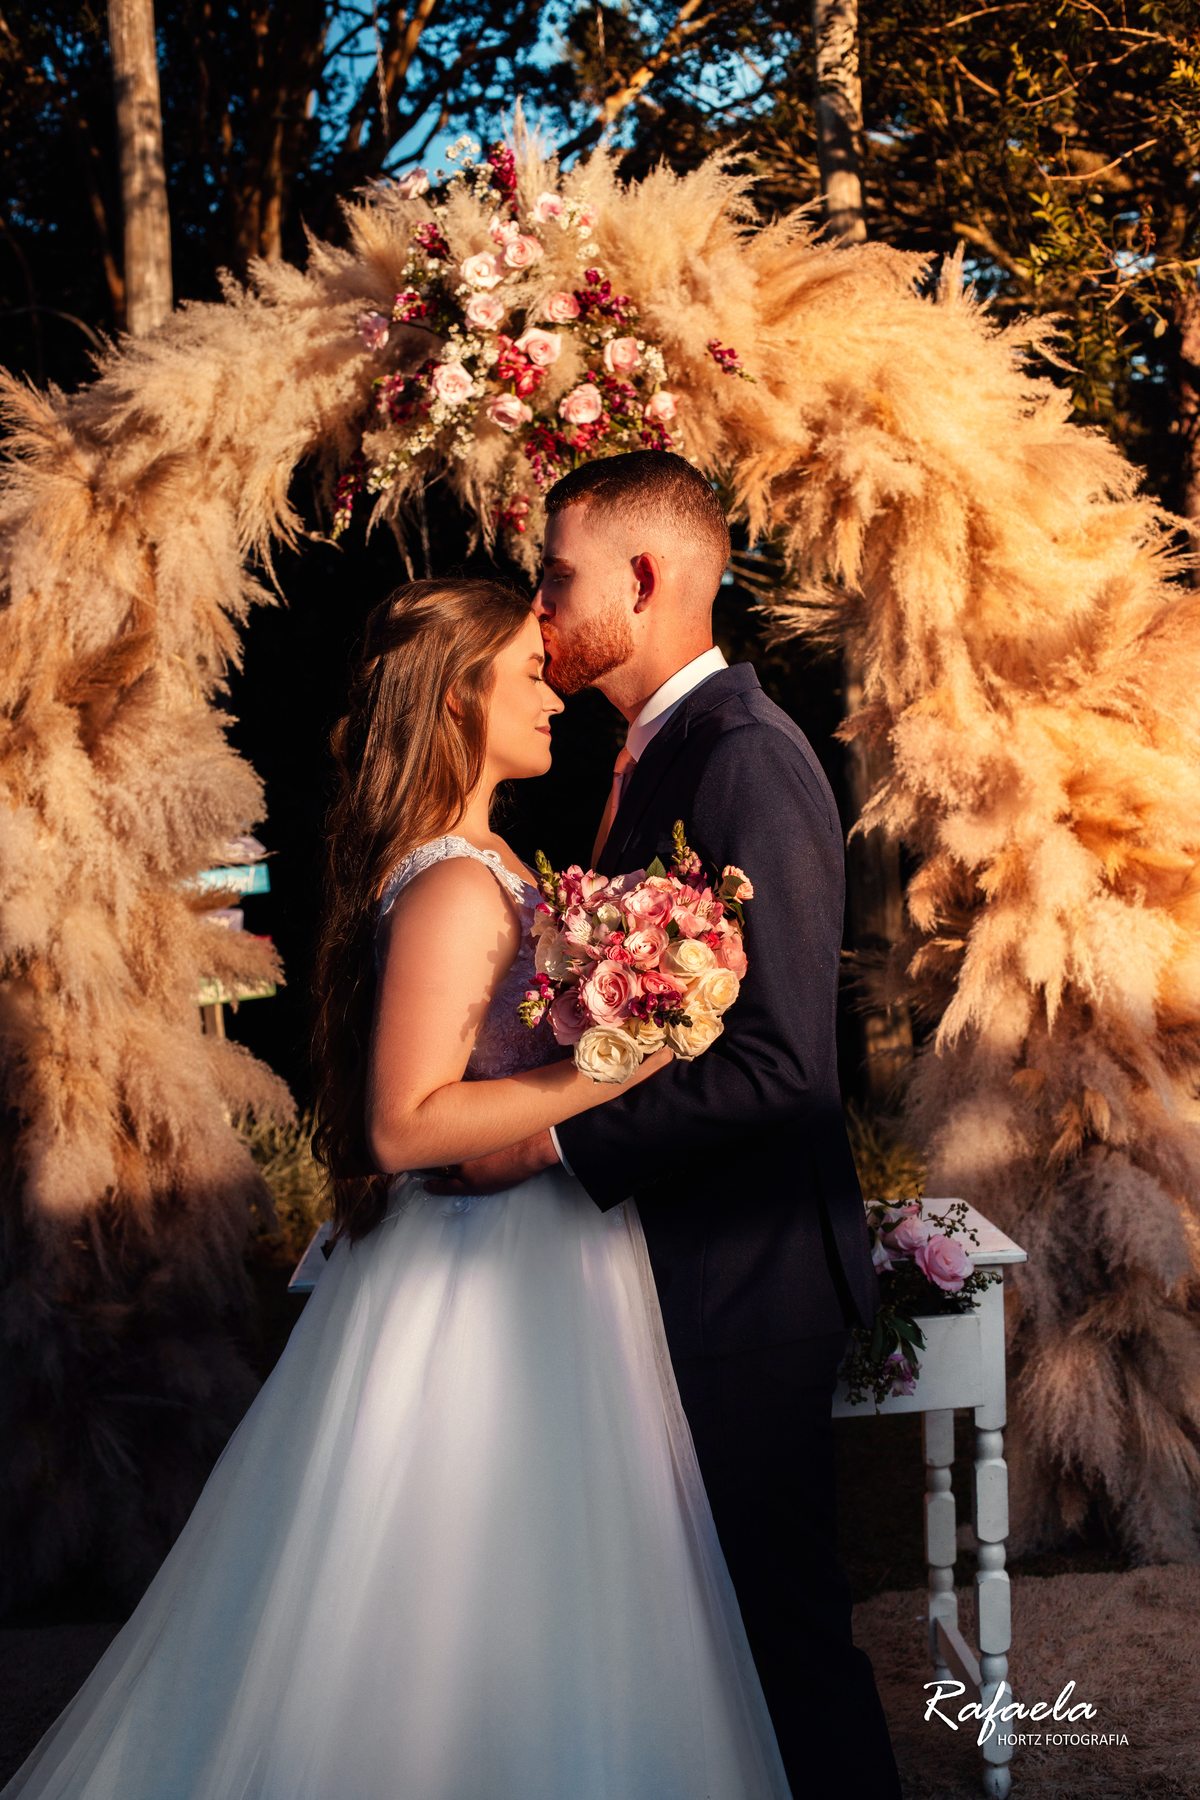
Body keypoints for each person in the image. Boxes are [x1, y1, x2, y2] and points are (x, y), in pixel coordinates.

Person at [1, 577, 792, 1800]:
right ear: (458, 695)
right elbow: (403, 1122)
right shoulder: (454, 885)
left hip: (548, 1257)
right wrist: (615, 1063)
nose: (553, 694)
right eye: (528, 672)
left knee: (546, 1581)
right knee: (448, 1585)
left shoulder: (494, 863)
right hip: (479, 1276)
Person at [430, 453, 904, 1799]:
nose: (540, 602)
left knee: (779, 1637)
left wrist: (543, 1143)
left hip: (741, 1279)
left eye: (556, 574)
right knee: (702, 1644)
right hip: (674, 1270)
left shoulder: (744, 757)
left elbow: (782, 1065)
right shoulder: (651, 755)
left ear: (643, 578)